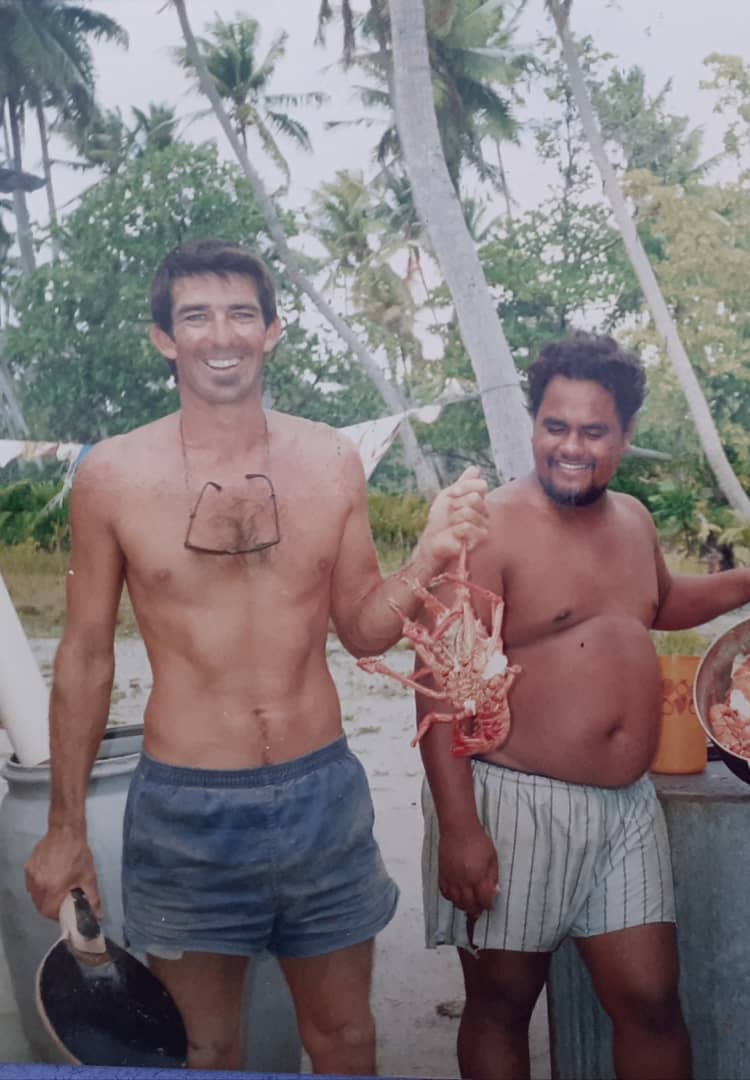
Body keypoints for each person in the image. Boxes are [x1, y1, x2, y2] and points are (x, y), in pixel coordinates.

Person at [24, 238, 487, 1074]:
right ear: (164, 338)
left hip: (322, 795)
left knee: (344, 1037)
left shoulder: (331, 461)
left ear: (273, 330)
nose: (220, 334)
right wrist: (64, 829)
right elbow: (86, 656)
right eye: (195, 316)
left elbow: (364, 629)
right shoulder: (114, 476)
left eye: (241, 313)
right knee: (204, 1048)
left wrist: (428, 557)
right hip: (186, 806)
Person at [417, 333, 750, 1080]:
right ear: (534, 425)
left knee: (653, 1001)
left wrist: (749, 580)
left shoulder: (632, 518)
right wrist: (460, 827)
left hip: (626, 810)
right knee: (501, 1002)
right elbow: (439, 686)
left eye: (594, 430)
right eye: (555, 426)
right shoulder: (486, 530)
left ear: (624, 434)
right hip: (512, 800)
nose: (571, 446)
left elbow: (658, 603)